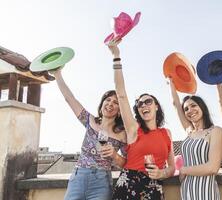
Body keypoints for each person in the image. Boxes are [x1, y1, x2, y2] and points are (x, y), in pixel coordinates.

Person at [107, 40, 175, 200]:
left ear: (156, 106)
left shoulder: (167, 133)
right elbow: (121, 93)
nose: (143, 105)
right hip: (129, 185)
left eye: (148, 101)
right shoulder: (133, 128)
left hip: (154, 188)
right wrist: (116, 56)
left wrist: (161, 173)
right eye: (139, 104)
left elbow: (171, 168)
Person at [52, 69, 127, 200]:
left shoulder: (122, 134)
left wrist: (115, 155)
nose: (110, 104)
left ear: (120, 111)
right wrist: (57, 74)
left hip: (101, 182)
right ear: (102, 103)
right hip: (78, 177)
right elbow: (69, 98)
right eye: (108, 100)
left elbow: (126, 164)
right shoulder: (90, 120)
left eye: (115, 102)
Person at [168, 78, 222, 200]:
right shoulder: (189, 131)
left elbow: (213, 168)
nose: (190, 110)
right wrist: (171, 82)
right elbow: (176, 105)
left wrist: (184, 170)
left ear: (202, 107)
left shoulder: (215, 131)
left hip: (206, 192)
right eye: (186, 109)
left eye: (193, 105)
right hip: (186, 190)